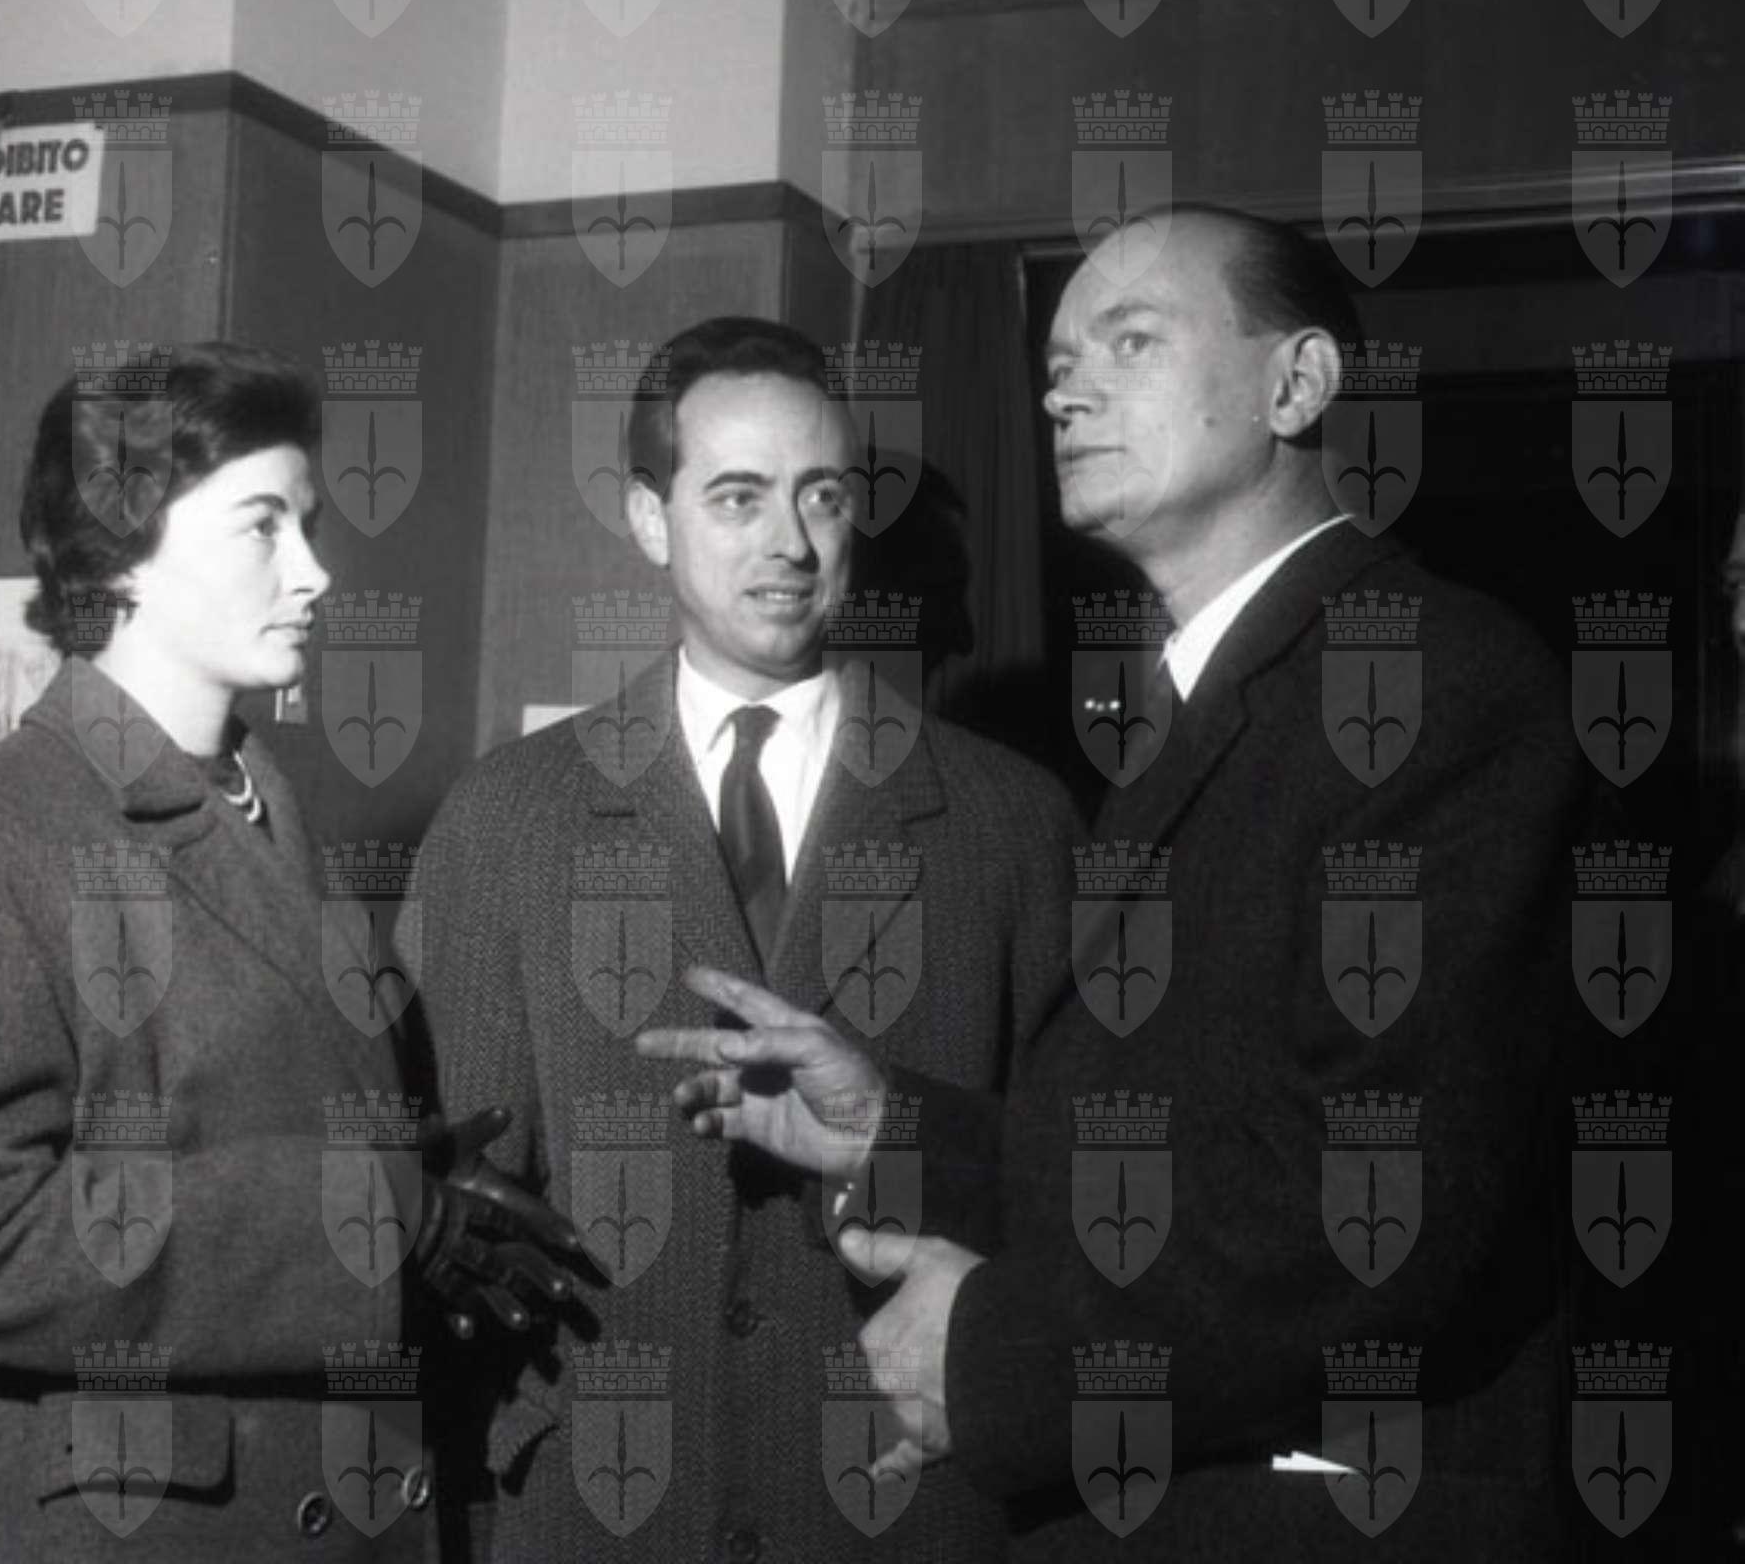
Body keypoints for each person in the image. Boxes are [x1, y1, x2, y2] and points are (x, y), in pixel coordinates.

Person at [641, 215, 1594, 1558]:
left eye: (1129, 342)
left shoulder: (1435, 686)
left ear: (1296, 384)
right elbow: (1179, 1140)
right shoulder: (1213, 699)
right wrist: (894, 1133)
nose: (1063, 394)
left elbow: (1377, 1210)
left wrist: (992, 1358)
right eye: (1054, 367)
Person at [0, 343, 585, 1562]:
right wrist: (364, 1219)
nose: (315, 570)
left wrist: (409, 1181)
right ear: (120, 550)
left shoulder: (261, 806)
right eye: (261, 525)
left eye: (308, 523)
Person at [402, 316, 1080, 1560]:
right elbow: (462, 1222)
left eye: (821, 494)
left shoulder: (1012, 821)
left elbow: (1080, 1191)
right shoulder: (504, 817)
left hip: (902, 1510)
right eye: (736, 496)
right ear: (648, 517)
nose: (789, 542)